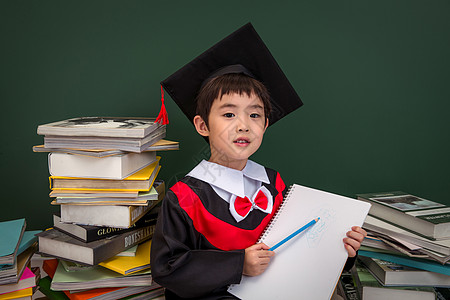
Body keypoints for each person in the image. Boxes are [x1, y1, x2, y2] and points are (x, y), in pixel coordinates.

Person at [150, 23, 366, 300]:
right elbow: (167, 269)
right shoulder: (184, 198)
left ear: (265, 124)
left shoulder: (275, 185)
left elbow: (299, 251)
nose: (244, 126)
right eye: (229, 115)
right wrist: (238, 265)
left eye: (255, 115)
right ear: (202, 125)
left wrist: (341, 251)